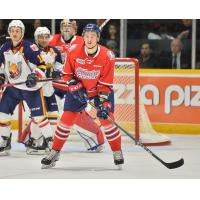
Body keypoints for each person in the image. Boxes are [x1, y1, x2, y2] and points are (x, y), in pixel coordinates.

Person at [41, 23, 124, 169]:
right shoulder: (74, 50)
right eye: (87, 36)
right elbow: (66, 74)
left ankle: (117, 151)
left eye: (93, 36)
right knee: (66, 120)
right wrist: (74, 86)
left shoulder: (107, 56)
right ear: (83, 37)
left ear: (98, 38)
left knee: (107, 120)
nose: (90, 39)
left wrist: (103, 103)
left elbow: (105, 84)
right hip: (78, 89)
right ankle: (55, 152)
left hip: (98, 91)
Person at [49, 19, 105, 152]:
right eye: (63, 25)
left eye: (69, 25)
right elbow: (39, 57)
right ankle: (38, 140)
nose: (66, 28)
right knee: (45, 112)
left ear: (75, 28)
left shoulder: (83, 40)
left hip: (74, 87)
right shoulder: (51, 39)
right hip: (55, 86)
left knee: (72, 115)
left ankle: (95, 139)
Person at [0, 20, 53, 155]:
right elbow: (2, 67)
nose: (15, 33)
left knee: (39, 117)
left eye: (18, 31)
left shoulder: (30, 47)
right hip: (13, 88)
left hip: (31, 88)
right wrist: (1, 77)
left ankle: (50, 143)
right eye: (12, 31)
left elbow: (42, 66)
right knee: (2, 113)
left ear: (22, 33)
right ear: (9, 33)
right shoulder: (4, 48)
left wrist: (35, 76)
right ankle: (5, 142)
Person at [22, 27, 63, 154]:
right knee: (38, 116)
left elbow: (61, 67)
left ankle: (50, 142)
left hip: (49, 88)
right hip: (36, 89)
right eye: (41, 37)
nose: (44, 39)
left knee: (53, 115)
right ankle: (34, 141)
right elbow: (31, 69)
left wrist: (57, 72)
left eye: (46, 37)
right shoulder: (31, 50)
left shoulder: (54, 50)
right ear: (36, 38)